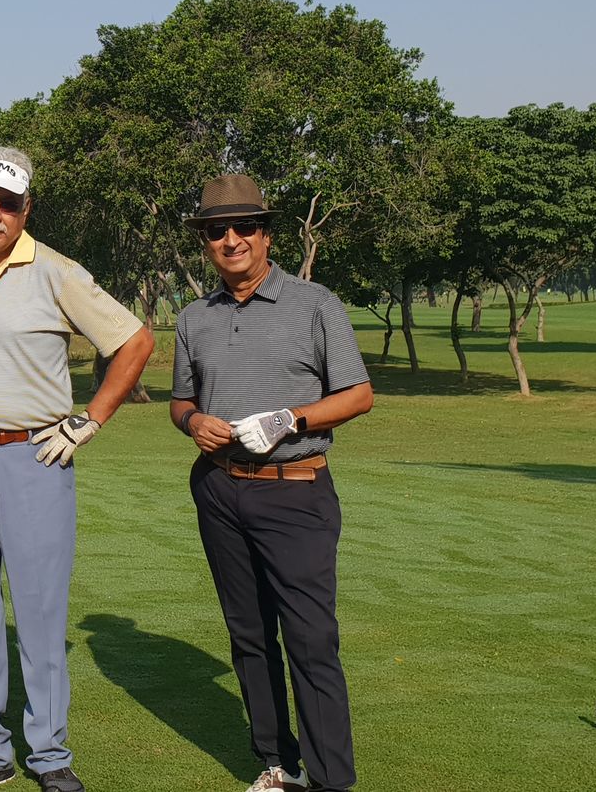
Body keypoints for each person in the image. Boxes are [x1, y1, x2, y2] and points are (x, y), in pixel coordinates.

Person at [0, 146, 155, 792]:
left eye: (7, 203)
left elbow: (135, 341)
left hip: (36, 455)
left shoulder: (57, 272)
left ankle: (48, 754)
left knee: (41, 611)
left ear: (26, 208)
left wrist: (89, 420)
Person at [168, 174, 374, 792]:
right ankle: (278, 764)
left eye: (244, 227)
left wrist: (292, 419)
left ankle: (331, 780)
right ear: (206, 241)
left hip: (295, 489)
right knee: (249, 635)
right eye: (216, 230)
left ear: (266, 235)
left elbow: (358, 395)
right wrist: (193, 422)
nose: (231, 239)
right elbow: (180, 401)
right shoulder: (193, 317)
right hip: (220, 488)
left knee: (310, 639)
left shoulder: (315, 303)